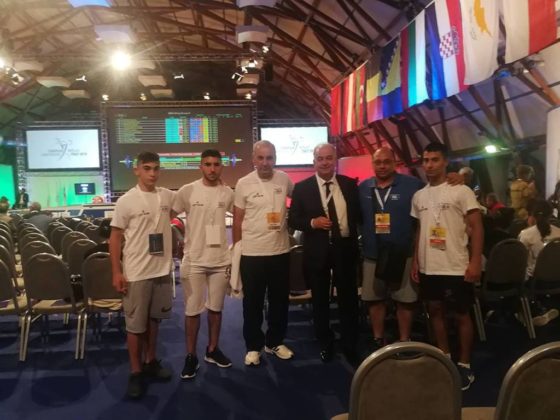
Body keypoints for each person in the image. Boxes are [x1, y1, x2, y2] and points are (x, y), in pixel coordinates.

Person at [411, 143, 483, 391]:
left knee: (461, 314)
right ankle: (444, 356)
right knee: (435, 311)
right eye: (426, 160)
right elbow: (419, 230)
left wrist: (475, 261)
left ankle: (464, 364)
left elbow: (477, 227)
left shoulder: (461, 190)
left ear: (445, 162)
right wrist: (416, 259)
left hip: (455, 265)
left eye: (434, 160)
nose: (429, 164)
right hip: (429, 267)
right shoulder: (419, 196)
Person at [109, 151, 175, 399]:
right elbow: (115, 238)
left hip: (161, 270)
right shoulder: (126, 201)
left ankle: (150, 361)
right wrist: (117, 271)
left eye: (156, 168)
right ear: (136, 170)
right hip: (136, 272)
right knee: (135, 326)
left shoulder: (166, 196)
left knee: (154, 320)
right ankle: (135, 372)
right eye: (147, 168)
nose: (152, 173)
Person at [288, 143, 361, 364]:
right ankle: (325, 341)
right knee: (320, 300)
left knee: (348, 300)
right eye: (320, 158)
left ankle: (350, 344)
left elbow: (359, 215)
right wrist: (312, 222)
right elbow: (293, 220)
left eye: (329, 158)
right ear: (314, 162)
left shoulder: (349, 185)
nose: (325, 162)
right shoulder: (302, 188)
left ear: (335, 160)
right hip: (317, 251)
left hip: (344, 249)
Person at [173, 149, 234, 379]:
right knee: (192, 311)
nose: (212, 168)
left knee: (216, 309)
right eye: (207, 164)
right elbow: (168, 215)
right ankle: (191, 356)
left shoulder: (228, 192)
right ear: (201, 166)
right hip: (194, 260)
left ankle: (212, 349)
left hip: (220, 260)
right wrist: (176, 241)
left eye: (216, 164)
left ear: (221, 167)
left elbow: (241, 216)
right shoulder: (187, 190)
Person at [233, 140, 294, 366]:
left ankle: (275, 342)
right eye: (261, 158)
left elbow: (301, 200)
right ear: (253, 159)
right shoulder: (243, 183)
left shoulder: (284, 179)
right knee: (253, 304)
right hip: (252, 254)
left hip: (280, 251)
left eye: (269, 158)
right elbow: (237, 220)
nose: (265, 162)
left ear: (275, 159)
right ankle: (253, 346)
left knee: (280, 302)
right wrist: (237, 251)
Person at [358, 147, 424, 350]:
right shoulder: (363, 188)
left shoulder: (413, 185)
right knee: (374, 299)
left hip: (403, 254)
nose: (382, 166)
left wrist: (453, 178)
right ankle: (378, 339)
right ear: (372, 164)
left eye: (387, 162)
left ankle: (404, 340)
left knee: (405, 300)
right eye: (378, 162)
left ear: (395, 163)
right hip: (373, 254)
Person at [518, 199, 560, 326]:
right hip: (557, 280)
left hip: (535, 282)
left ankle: (526, 315)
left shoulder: (526, 234)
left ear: (532, 215)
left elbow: (520, 260)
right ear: (550, 214)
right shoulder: (558, 232)